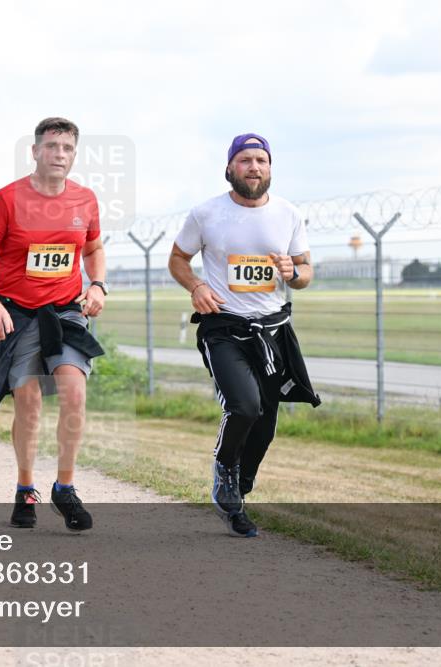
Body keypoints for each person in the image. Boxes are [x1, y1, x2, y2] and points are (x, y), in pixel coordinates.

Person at [168, 133, 321, 538]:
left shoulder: (288, 214)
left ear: (270, 168)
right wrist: (197, 287)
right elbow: (178, 259)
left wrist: (294, 273)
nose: (254, 167)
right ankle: (223, 470)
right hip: (224, 327)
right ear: (230, 167)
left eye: (261, 160)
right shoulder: (206, 214)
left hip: (273, 330)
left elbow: (306, 272)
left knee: (266, 423)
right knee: (245, 406)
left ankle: (240, 486)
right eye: (246, 160)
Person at [0, 117, 107, 532]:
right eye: (52, 146)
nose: (59, 155)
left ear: (74, 155)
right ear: (35, 152)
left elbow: (94, 249)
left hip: (65, 310)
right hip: (18, 313)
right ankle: (25, 488)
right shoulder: (8, 199)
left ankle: (65, 488)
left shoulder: (85, 200)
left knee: (74, 393)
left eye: (67, 148)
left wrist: (97, 285)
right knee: (28, 403)